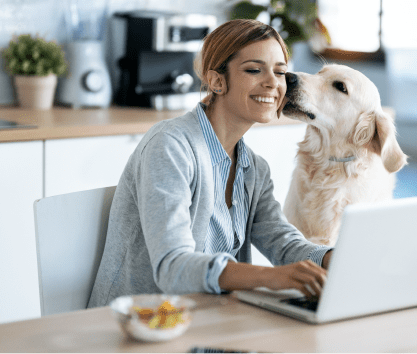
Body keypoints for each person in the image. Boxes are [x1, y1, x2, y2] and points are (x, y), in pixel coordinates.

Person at [88, 19, 333, 308]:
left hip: (211, 322)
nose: (272, 83)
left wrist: (334, 257)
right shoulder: (170, 146)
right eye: (254, 70)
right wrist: (271, 277)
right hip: (140, 328)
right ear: (217, 81)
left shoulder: (254, 169)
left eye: (280, 72)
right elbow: (173, 267)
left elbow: (283, 242)